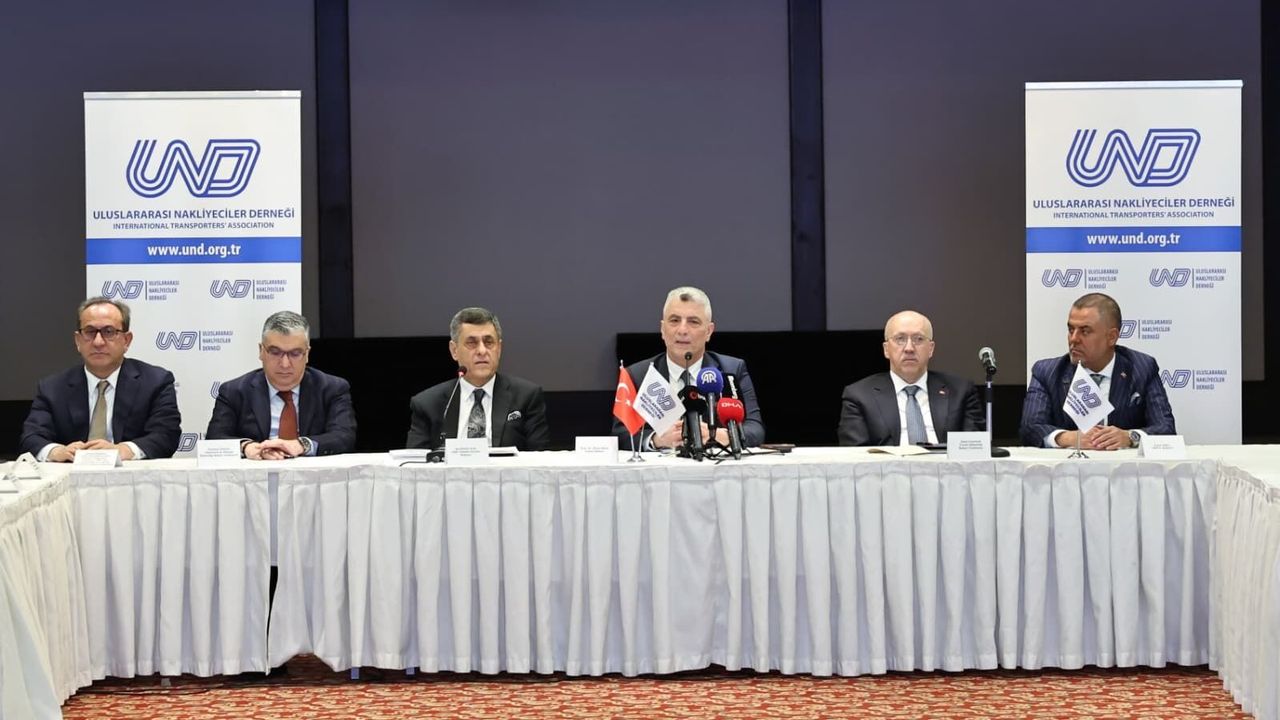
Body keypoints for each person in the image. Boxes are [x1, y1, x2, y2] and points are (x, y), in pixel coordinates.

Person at [20, 297, 181, 461]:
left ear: (126, 340)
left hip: (129, 474)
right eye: (90, 332)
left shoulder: (156, 382)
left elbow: (167, 434)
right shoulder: (52, 388)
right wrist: (56, 451)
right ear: (78, 340)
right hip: (71, 474)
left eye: (109, 332)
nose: (98, 342)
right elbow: (31, 437)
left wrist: (123, 450)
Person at [613, 286, 765, 449]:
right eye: (674, 320)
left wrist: (720, 435)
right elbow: (620, 433)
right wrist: (656, 440)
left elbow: (755, 429)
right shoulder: (638, 375)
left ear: (709, 331)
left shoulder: (731, 370)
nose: (682, 330)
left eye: (693, 322)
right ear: (662, 329)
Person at [1020, 292, 1176, 449]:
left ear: (1112, 337)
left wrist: (1130, 437)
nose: (1074, 339)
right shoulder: (1048, 372)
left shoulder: (1142, 368)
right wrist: (1068, 438)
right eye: (1071, 329)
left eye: (1085, 331)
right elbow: (1030, 429)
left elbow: (1166, 429)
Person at [207, 311, 356, 459]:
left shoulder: (332, 389)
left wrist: (300, 445)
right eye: (275, 352)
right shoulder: (234, 391)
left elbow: (344, 436)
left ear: (307, 354)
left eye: (295, 353)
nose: (285, 364)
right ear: (261, 351)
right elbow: (215, 438)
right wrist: (247, 447)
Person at [407, 307, 551, 450]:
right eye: (471, 343)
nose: (482, 351)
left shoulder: (526, 397)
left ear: (499, 348)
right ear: (454, 350)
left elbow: (539, 458)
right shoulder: (428, 404)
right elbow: (414, 461)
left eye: (489, 342)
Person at [837, 310, 983, 446]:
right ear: (886, 349)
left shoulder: (960, 391)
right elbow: (855, 456)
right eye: (900, 339)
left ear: (931, 349)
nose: (909, 348)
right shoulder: (860, 396)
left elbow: (973, 451)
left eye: (918, 339)